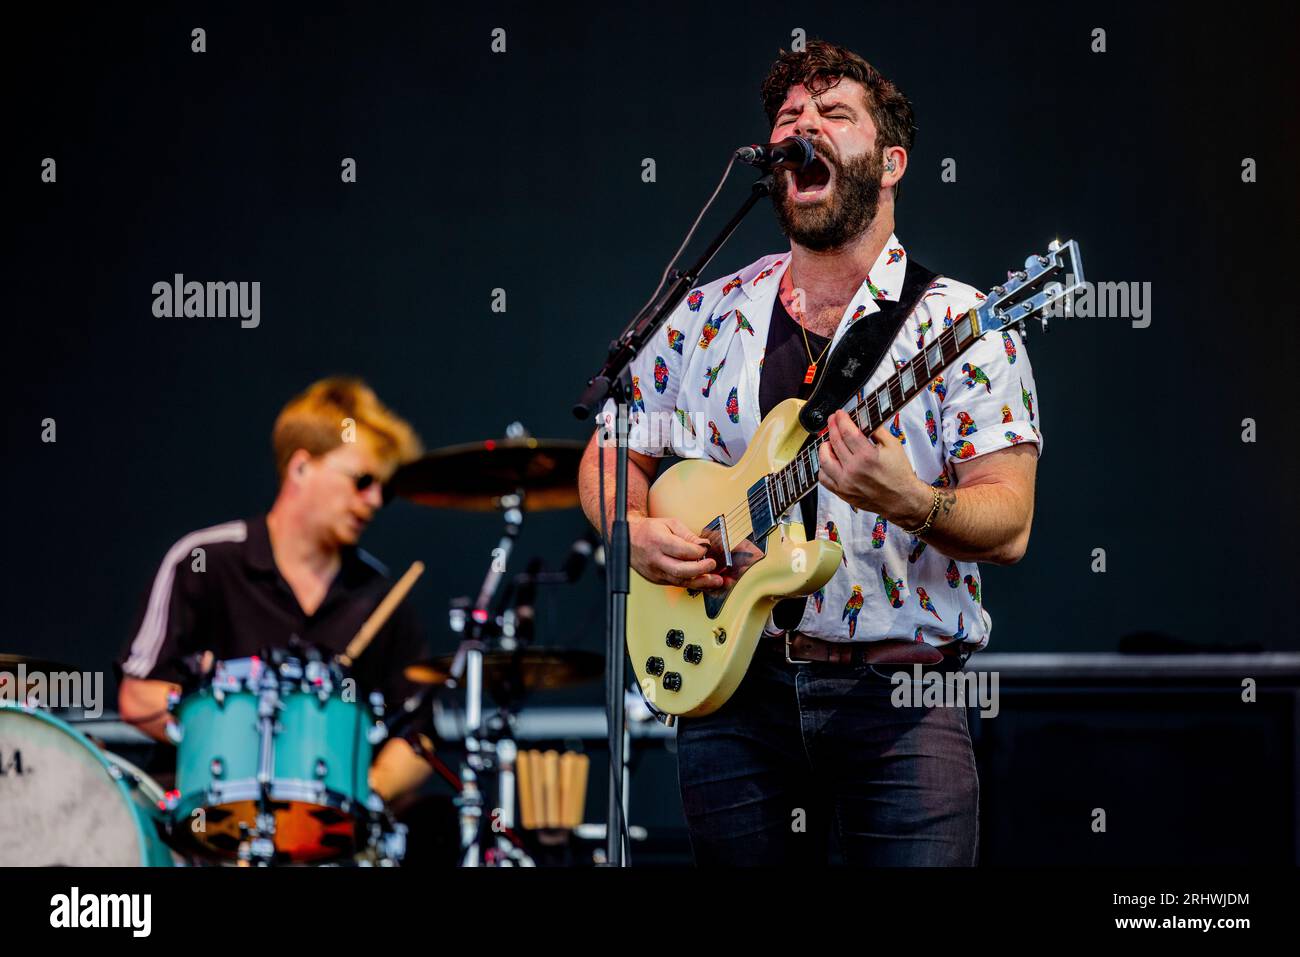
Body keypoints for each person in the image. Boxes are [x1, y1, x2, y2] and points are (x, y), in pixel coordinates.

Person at [577, 40, 1042, 865]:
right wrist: (632, 531)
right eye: (789, 117)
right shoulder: (709, 311)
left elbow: (1008, 525)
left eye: (834, 114)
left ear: (891, 161)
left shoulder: (963, 323)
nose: (803, 127)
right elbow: (613, 448)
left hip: (904, 696)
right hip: (733, 692)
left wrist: (911, 499)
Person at [117, 376, 433, 803]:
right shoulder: (204, 560)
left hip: (328, 841)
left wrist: (363, 794)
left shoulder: (381, 596)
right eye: (362, 481)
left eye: (385, 489)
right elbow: (137, 697)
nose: (374, 501)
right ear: (301, 467)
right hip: (208, 826)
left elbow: (419, 738)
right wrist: (250, 737)